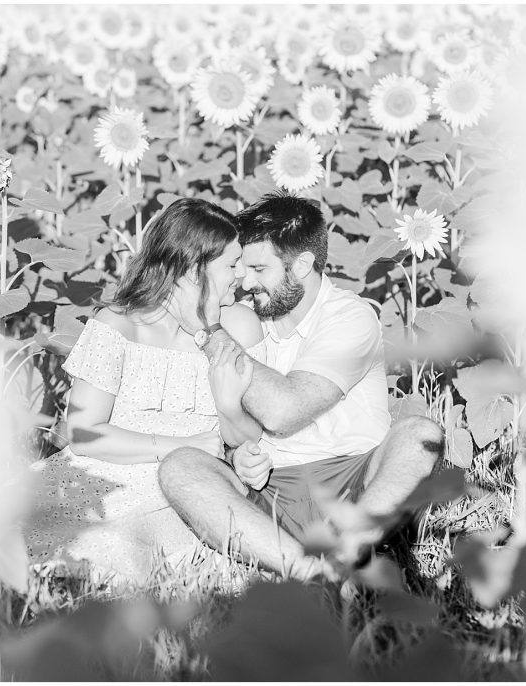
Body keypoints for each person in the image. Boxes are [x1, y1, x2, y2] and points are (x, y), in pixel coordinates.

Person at [157, 192, 444, 581]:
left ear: (303, 264)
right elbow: (229, 414)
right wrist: (238, 454)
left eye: (259, 268)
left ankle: (350, 546)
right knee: (180, 467)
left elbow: (284, 412)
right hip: (272, 491)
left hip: (356, 480)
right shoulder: (245, 321)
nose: (245, 281)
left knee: (419, 433)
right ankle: (308, 569)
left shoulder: (351, 317)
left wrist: (208, 332)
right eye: (241, 267)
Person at [24, 198, 268, 583]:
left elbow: (249, 431)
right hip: (102, 470)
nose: (240, 276)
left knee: (122, 547)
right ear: (192, 269)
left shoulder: (240, 325)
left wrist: (238, 452)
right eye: (230, 265)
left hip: (187, 485)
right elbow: (84, 434)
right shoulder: (119, 325)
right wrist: (177, 445)